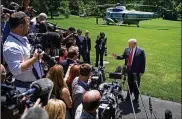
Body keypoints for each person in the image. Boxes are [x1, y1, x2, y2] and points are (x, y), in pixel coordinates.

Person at [3, 12, 44, 92]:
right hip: (23, 89)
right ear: (21, 26)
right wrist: (35, 59)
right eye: (27, 25)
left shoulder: (22, 38)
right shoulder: (11, 46)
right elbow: (16, 70)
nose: (29, 27)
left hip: (34, 85)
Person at [112, 38, 146, 103]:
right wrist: (117, 57)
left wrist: (142, 71)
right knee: (129, 84)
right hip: (129, 70)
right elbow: (123, 56)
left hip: (136, 72)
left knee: (136, 85)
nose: (128, 45)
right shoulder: (127, 49)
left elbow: (143, 62)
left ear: (134, 44)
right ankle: (128, 97)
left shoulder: (141, 51)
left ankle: (136, 98)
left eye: (129, 44)